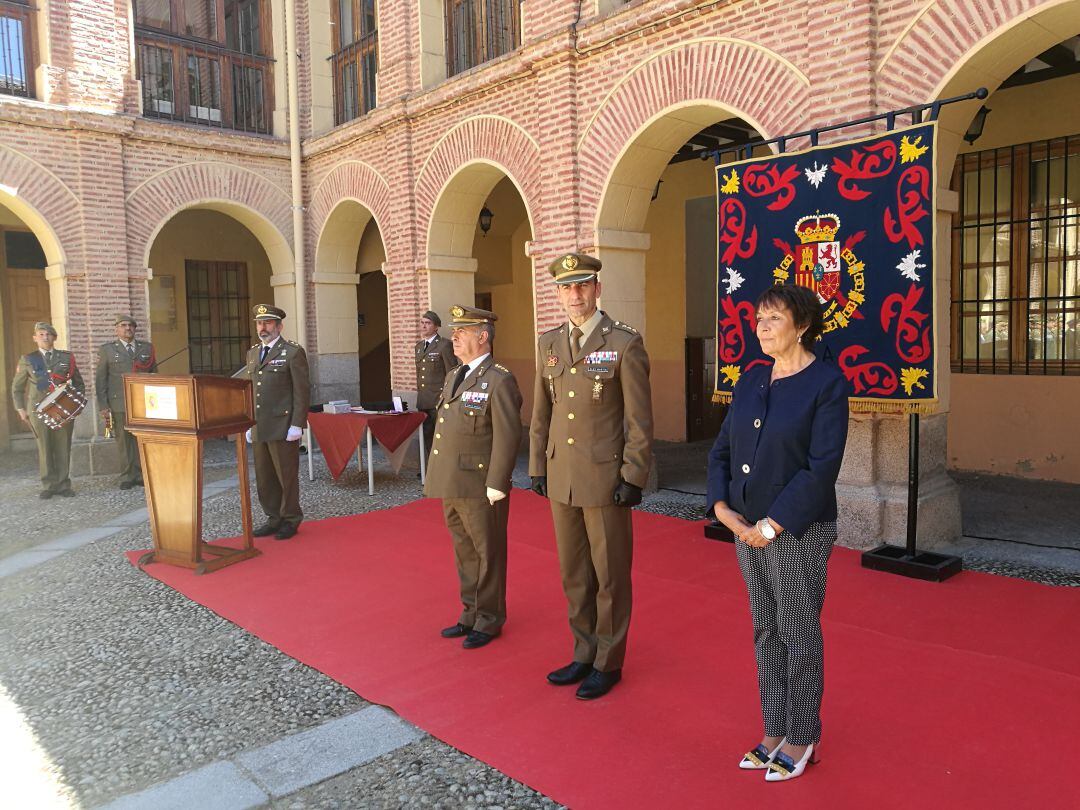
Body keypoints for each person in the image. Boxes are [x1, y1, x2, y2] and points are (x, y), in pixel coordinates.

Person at [706, 284, 849, 782]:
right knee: (766, 629)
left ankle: (803, 732)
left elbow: (821, 467)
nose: (761, 328)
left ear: (802, 325)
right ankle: (774, 725)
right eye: (758, 319)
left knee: (799, 633)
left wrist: (771, 524)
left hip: (796, 531)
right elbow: (722, 448)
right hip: (746, 529)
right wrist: (722, 508)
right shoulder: (751, 380)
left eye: (773, 319)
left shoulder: (827, 383)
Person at [529, 253, 653, 700]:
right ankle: (583, 651)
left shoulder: (623, 342)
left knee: (610, 575)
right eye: (565, 287)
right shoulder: (548, 344)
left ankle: (608, 660)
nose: (574, 294)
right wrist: (537, 466)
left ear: (596, 289)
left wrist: (633, 476)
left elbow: (639, 420)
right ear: (558, 294)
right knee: (575, 573)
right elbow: (542, 413)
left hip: (605, 478)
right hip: (562, 476)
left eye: (582, 285)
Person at [424, 305, 522, 650]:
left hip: (481, 484)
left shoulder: (499, 379)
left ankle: (490, 617)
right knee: (464, 550)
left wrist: (498, 481)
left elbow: (508, 436)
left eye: (463, 332)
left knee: (488, 551)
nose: (455, 338)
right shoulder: (455, 375)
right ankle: (470, 611)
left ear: (483, 337)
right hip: (452, 480)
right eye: (455, 331)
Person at [236, 305, 310, 540]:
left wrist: (297, 424)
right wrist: (247, 422)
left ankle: (290, 518)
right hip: (259, 424)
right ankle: (273, 517)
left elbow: (302, 391)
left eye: (268, 323)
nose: (263, 328)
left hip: (283, 425)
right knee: (264, 476)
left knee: (286, 476)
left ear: (279, 326)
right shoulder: (252, 353)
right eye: (259, 323)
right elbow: (249, 391)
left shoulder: (292, 352)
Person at [11, 322, 85, 499]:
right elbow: (17, 388)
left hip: (62, 409)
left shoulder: (67, 358)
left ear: (55, 337)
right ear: (35, 338)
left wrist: (76, 404)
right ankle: (49, 485)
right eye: (41, 334)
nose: (45, 337)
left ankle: (63, 483)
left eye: (49, 334)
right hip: (38, 410)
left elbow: (79, 383)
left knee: (62, 445)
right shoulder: (28, 359)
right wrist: (20, 409)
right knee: (44, 447)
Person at [95, 314, 158, 489]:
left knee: (141, 438)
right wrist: (103, 405)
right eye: (123, 325)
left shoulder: (146, 348)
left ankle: (141, 474)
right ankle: (126, 476)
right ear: (117, 329)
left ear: (135, 329)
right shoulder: (107, 350)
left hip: (143, 401)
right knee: (123, 440)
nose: (127, 328)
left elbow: (155, 374)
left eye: (131, 325)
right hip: (119, 401)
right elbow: (101, 379)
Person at [415, 310, 458, 456]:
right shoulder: (419, 347)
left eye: (428, 323)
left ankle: (441, 468)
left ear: (436, 327)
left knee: (441, 436)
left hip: (438, 399)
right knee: (426, 435)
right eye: (422, 323)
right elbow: (419, 374)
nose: (424, 326)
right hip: (423, 399)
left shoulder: (444, 345)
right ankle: (429, 469)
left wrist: (447, 397)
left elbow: (452, 373)